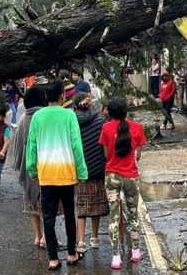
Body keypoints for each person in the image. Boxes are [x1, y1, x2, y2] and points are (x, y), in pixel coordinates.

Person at [26, 83, 88, 270]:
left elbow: (32, 146)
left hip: (46, 173)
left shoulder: (37, 117)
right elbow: (77, 145)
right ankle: (71, 253)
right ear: (62, 96)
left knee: (48, 216)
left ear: (46, 97)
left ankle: (53, 258)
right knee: (70, 214)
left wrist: (32, 170)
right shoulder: (69, 115)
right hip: (67, 173)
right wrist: (82, 171)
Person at [100, 96, 148, 270]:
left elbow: (106, 156)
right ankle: (135, 251)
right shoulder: (137, 128)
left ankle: (115, 257)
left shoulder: (105, 128)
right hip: (131, 177)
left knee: (114, 216)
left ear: (110, 113)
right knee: (133, 214)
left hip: (112, 176)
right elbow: (138, 155)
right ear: (126, 111)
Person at [10, 84, 52, 248]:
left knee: (32, 203)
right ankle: (47, 238)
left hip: (28, 170)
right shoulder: (44, 118)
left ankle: (37, 236)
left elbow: (18, 147)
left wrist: (23, 166)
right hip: (46, 168)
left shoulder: (22, 119)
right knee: (47, 205)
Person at [72, 94, 108, 254]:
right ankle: (94, 237)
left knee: (82, 206)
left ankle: (80, 241)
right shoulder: (100, 121)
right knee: (97, 205)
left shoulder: (72, 122)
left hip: (81, 171)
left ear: (75, 107)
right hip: (98, 169)